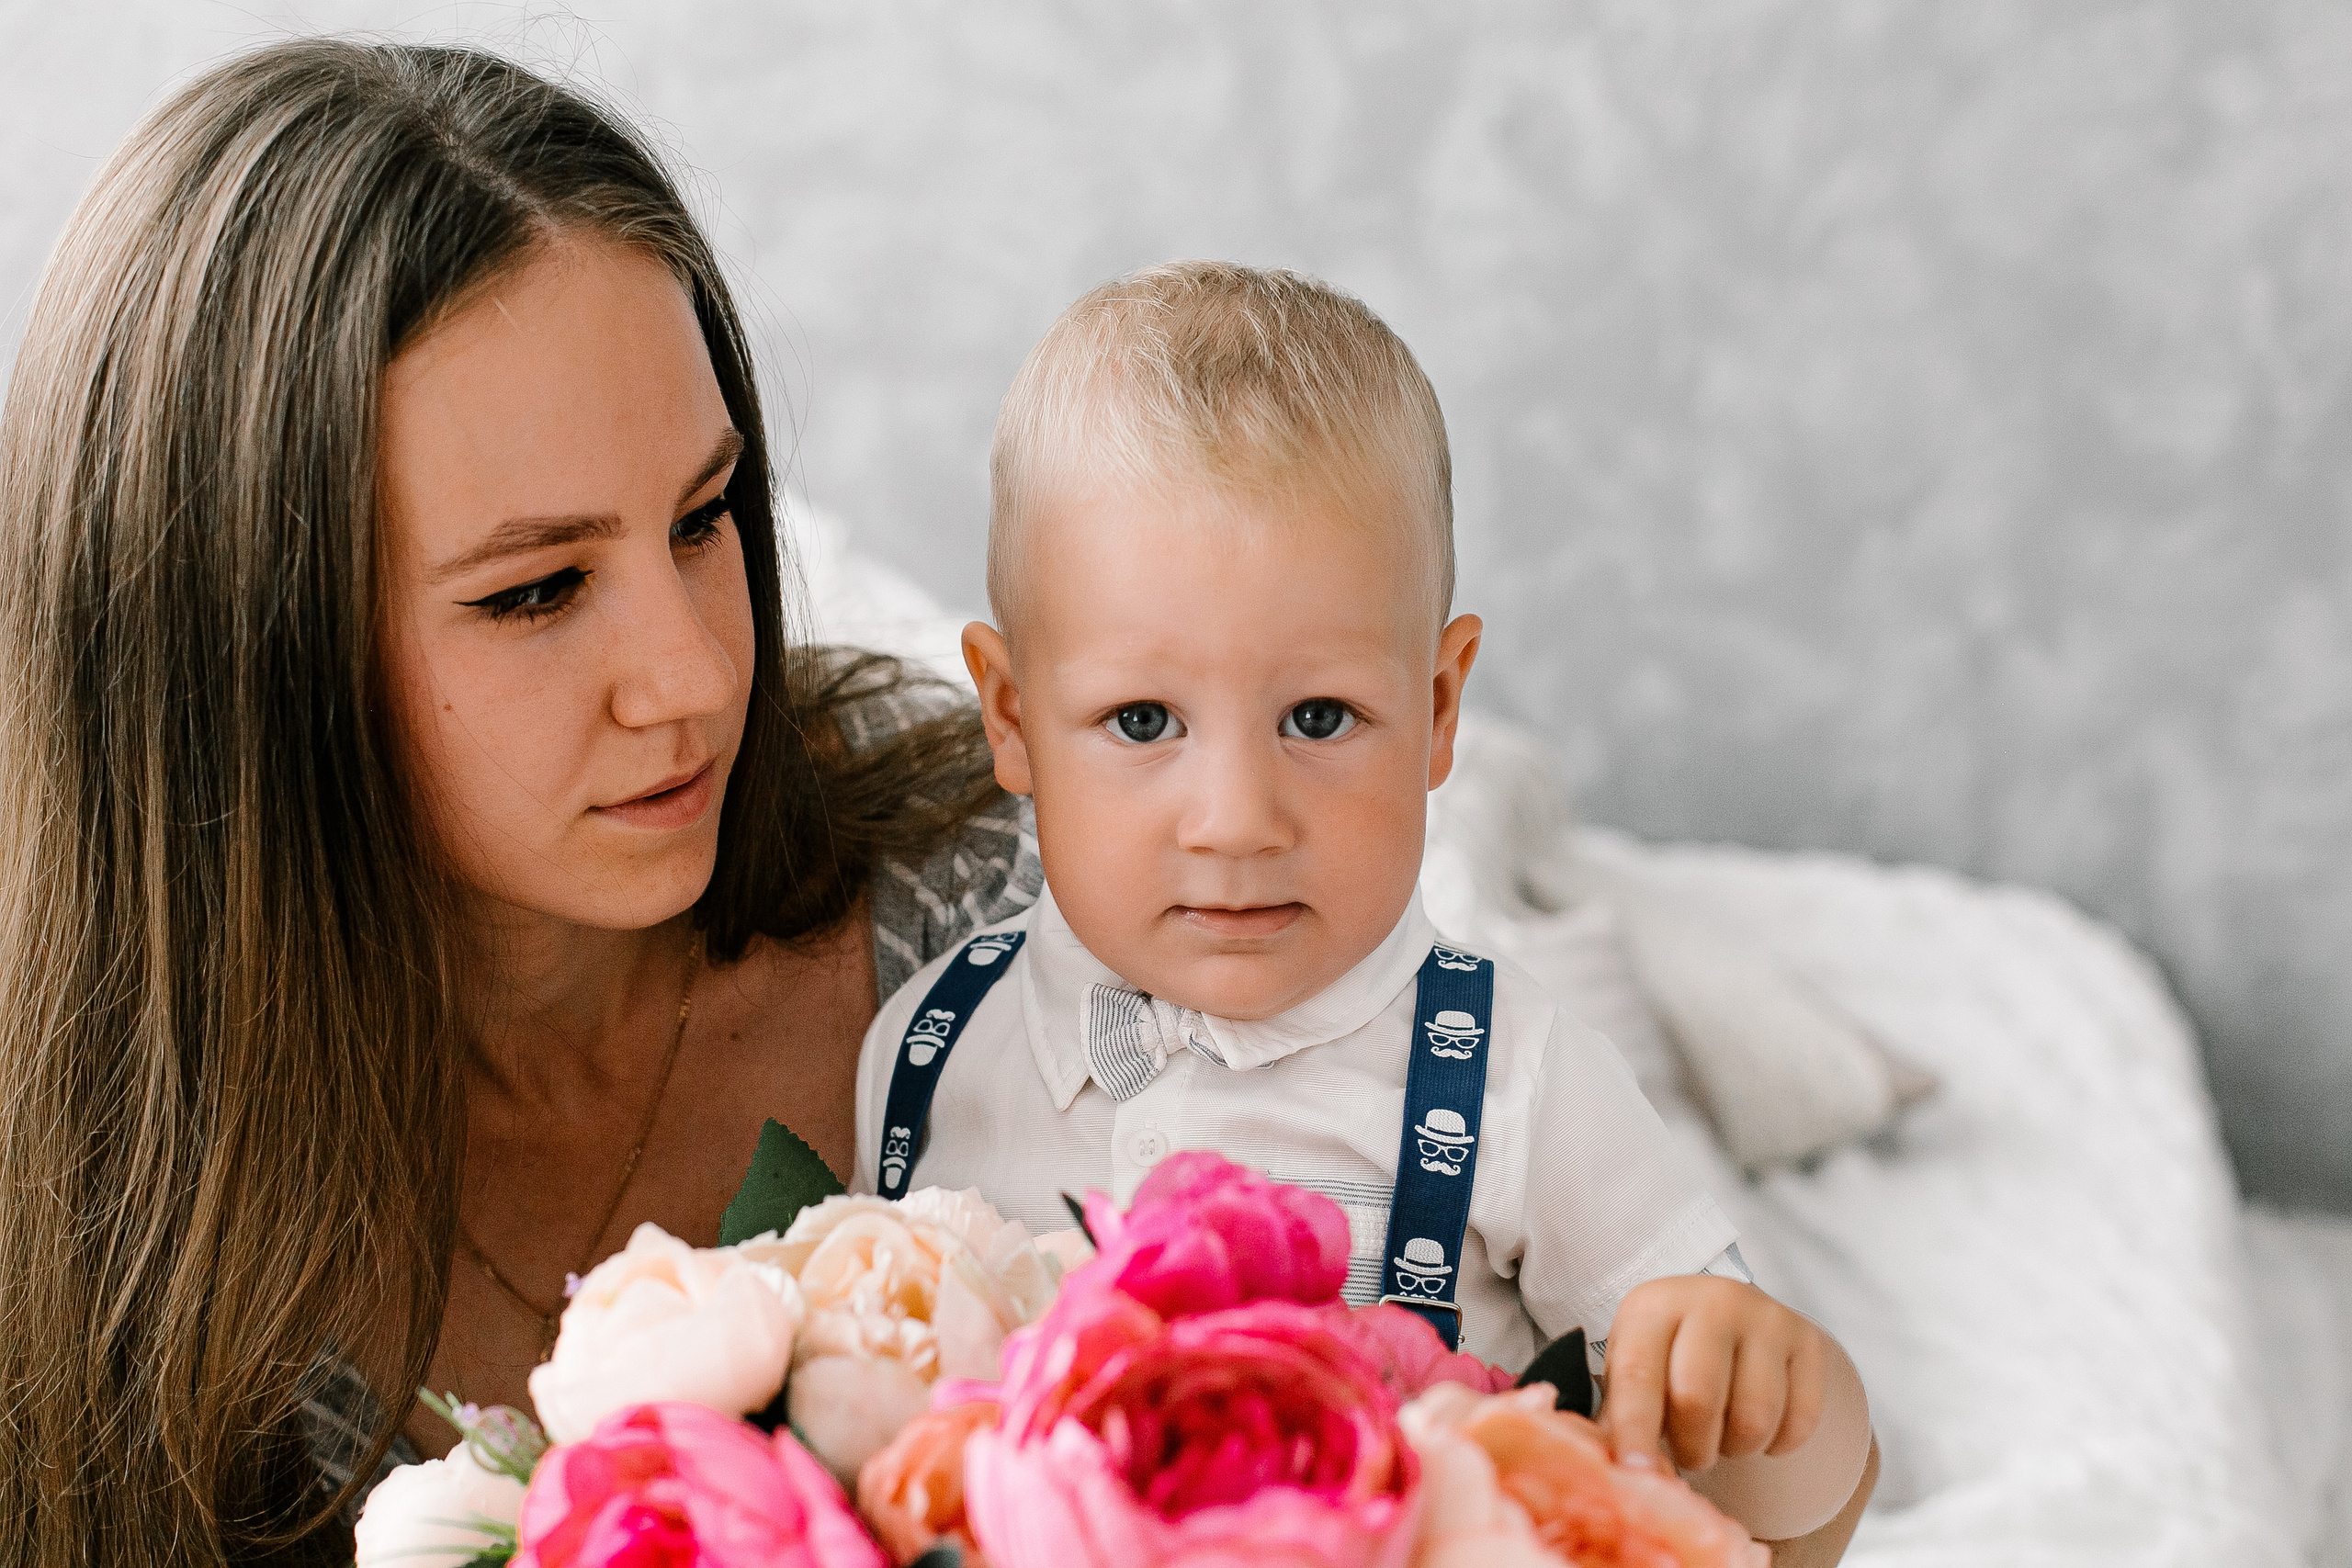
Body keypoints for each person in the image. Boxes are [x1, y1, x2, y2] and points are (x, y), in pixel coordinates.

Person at [0, 40, 1036, 1567]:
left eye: (703, 520)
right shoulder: (73, 1211)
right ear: (238, 649)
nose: (689, 674)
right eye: (539, 590)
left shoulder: (1004, 909)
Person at [854, 261, 1879, 1558]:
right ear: (1010, 716)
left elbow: (1750, 1503)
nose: (1236, 816)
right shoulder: (926, 1048)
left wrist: (1783, 1398)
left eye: (1320, 719)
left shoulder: (1509, 1074)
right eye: (1141, 721)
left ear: (1442, 707)